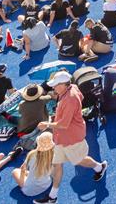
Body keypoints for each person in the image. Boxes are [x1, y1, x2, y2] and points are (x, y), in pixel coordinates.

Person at [34, 71, 107, 204]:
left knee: (79, 161)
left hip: (71, 138)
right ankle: (52, 197)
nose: (53, 88)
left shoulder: (69, 100)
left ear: (63, 84)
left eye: (56, 85)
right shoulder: (71, 87)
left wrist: (47, 124)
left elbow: (64, 124)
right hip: (62, 137)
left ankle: (100, 167)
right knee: (57, 165)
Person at [12, 132, 55, 198]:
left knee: (15, 171)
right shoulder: (55, 155)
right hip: (47, 184)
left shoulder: (32, 155)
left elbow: (23, 169)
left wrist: (25, 175)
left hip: (29, 191)